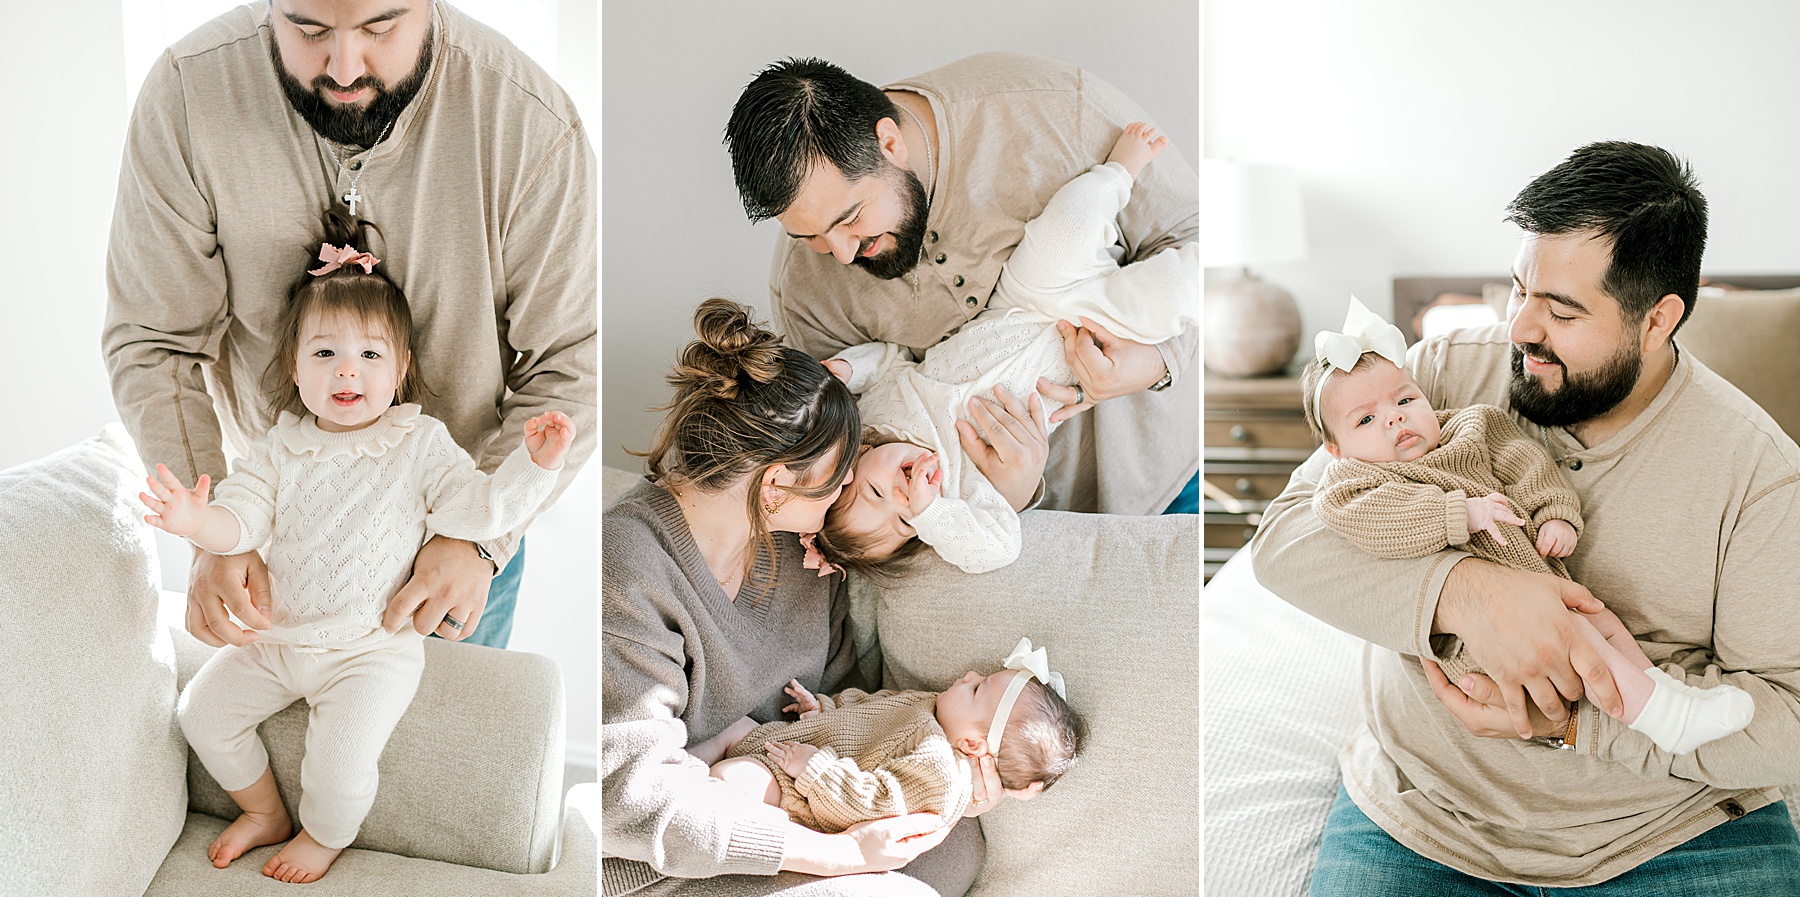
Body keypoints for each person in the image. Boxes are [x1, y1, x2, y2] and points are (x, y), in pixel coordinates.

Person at [1251, 142, 1800, 892]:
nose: (1518, 329)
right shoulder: (1434, 377)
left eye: (1561, 311)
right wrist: (1467, 592)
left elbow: (1787, 718)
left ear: (1657, 319)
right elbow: (1285, 537)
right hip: (1424, 812)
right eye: (1519, 290)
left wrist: (1578, 721)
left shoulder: (1758, 473)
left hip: (1672, 832)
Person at [103, 0, 595, 650]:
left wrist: (478, 540)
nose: (341, 67)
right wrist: (216, 522)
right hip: (277, 536)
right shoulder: (188, 96)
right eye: (307, 28)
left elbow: (571, 365)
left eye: (379, 26)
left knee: (452, 749)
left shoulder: (532, 125)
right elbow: (152, 341)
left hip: (455, 547)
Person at [139, 216, 573, 883]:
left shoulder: (420, 444)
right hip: (278, 641)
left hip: (370, 652)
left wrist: (535, 465)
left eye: (370, 355)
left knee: (339, 765)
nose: (348, 369)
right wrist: (198, 522)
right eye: (324, 353)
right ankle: (264, 812)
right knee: (201, 712)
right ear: (294, 365)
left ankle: (322, 833)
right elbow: (240, 523)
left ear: (401, 368)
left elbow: (481, 510)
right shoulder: (280, 447)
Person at [601, 299, 1008, 897]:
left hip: (800, 796)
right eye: (841, 473)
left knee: (953, 849)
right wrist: (836, 855)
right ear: (776, 484)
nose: (849, 484)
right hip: (677, 855)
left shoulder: (804, 549)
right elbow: (633, 802)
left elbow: (856, 702)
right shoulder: (629, 564)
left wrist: (945, 766)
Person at [724, 53, 1199, 519]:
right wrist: (1006, 497)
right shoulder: (807, 293)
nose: (842, 254)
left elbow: (1200, 239)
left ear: (888, 144)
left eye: (850, 219)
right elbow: (858, 464)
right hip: (1021, 529)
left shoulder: (1052, 111)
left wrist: (1157, 363)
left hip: (1167, 481)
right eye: (809, 237)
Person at [1303, 297, 1753, 755]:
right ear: (1335, 449)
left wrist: (1554, 511)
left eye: (1404, 399)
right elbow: (1377, 522)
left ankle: (1663, 693)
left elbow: (1526, 464)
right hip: (1473, 641)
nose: (1394, 417)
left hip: (1546, 584)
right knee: (1584, 648)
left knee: (1602, 623)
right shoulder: (1354, 481)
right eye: (1365, 419)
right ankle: (1665, 721)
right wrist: (1461, 514)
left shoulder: (1471, 427)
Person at [814, 123, 1195, 574]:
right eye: (903, 520)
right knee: (1176, 293)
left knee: (1065, 226)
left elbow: (890, 361)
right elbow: (998, 548)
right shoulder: (960, 487)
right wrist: (931, 514)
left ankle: (1117, 171)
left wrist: (846, 370)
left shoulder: (876, 413)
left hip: (1020, 301)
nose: (902, 496)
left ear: (858, 457)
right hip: (1084, 346)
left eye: (876, 493)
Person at [704, 638, 1084, 833]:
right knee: (732, 727)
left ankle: (689, 802)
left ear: (971, 744)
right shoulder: (929, 706)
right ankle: (669, 768)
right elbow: (870, 710)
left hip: (801, 795)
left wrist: (815, 770)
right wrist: (825, 710)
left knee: (733, 778)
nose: (969, 675)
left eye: (977, 688)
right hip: (793, 744)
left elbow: (874, 804)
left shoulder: (939, 775)